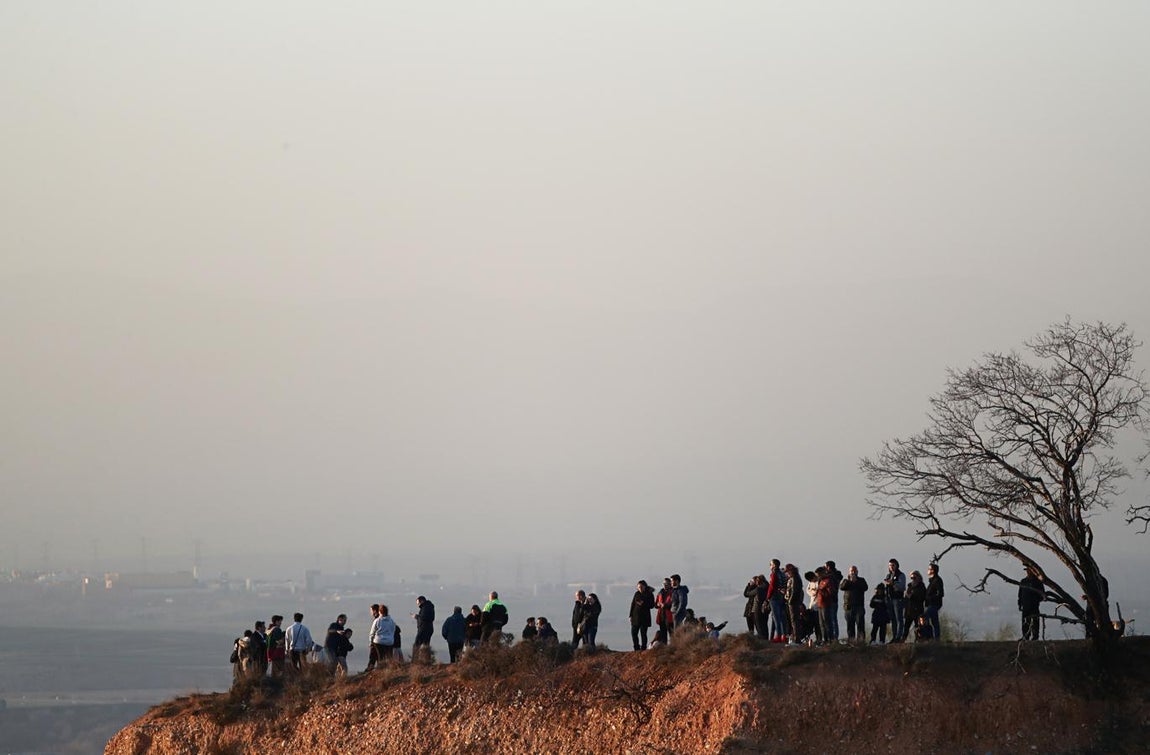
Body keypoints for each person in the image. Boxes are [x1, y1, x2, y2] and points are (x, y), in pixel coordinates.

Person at [840, 566, 869, 643]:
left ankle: (861, 641)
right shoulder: (845, 581)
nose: (852, 572)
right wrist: (849, 581)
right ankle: (851, 641)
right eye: (851, 571)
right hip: (848, 607)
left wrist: (856, 581)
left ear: (857, 572)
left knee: (860, 625)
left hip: (859, 606)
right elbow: (842, 587)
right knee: (850, 625)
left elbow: (865, 588)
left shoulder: (861, 580)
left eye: (854, 571)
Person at [884, 559, 907, 643]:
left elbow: (902, 587)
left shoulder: (901, 575)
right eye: (890, 565)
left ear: (897, 565)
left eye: (893, 565)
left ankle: (898, 637)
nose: (891, 567)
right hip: (890, 599)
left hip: (898, 599)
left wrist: (893, 583)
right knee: (893, 619)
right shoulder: (888, 575)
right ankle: (894, 637)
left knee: (899, 619)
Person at [1019, 567, 1045, 641]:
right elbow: (1020, 594)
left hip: (1034, 605)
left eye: (1029, 570)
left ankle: (1035, 636)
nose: (1028, 572)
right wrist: (1020, 603)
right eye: (1027, 570)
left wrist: (1036, 600)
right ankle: (1025, 636)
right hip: (1025, 605)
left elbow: (1042, 594)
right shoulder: (1023, 581)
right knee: (1025, 622)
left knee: (1035, 622)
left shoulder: (1037, 582)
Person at [630, 580, 656, 650]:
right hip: (635, 617)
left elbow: (652, 605)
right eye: (638, 587)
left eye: (641, 587)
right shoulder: (636, 594)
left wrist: (643, 603)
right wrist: (630, 615)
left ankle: (643, 648)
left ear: (645, 587)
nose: (640, 588)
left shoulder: (649, 594)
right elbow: (633, 604)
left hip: (645, 617)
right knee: (634, 633)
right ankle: (636, 647)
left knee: (643, 634)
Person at [784, 564, 807, 646]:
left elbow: (794, 591)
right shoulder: (795, 578)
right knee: (793, 620)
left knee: (794, 620)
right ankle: (795, 638)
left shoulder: (795, 579)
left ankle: (797, 639)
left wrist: (790, 600)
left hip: (793, 602)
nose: (786, 574)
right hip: (793, 601)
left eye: (787, 572)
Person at [767, 560, 789, 642]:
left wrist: (768, 596)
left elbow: (772, 586)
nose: (770, 566)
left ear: (773, 565)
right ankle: (783, 635)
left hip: (774, 597)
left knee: (776, 617)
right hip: (781, 596)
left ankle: (778, 636)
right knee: (782, 617)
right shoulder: (782, 573)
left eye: (770, 564)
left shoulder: (774, 574)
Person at [904, 571, 927, 642]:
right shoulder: (909, 586)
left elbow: (922, 597)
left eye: (914, 577)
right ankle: (903, 639)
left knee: (918, 626)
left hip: (917, 610)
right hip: (909, 610)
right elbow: (906, 597)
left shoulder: (921, 586)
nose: (913, 579)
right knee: (906, 627)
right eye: (911, 578)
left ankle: (919, 640)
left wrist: (912, 597)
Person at [823, 561, 843, 642]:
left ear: (828, 567)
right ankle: (834, 637)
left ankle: (833, 637)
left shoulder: (831, 576)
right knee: (833, 619)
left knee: (832, 619)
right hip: (834, 599)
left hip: (831, 599)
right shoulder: (836, 575)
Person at [924, 563, 944, 641]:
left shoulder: (937, 580)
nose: (928, 570)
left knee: (924, 617)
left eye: (929, 569)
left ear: (933, 570)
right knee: (934, 621)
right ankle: (936, 638)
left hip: (934, 604)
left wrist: (930, 598)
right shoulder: (932, 581)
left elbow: (940, 593)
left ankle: (928, 637)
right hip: (930, 604)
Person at [364, 605, 382, 671]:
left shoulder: (377, 619)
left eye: (371, 610)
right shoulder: (381, 618)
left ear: (374, 611)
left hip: (376, 640)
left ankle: (370, 668)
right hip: (381, 641)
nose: (370, 612)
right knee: (377, 656)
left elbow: (373, 632)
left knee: (373, 655)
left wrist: (371, 642)